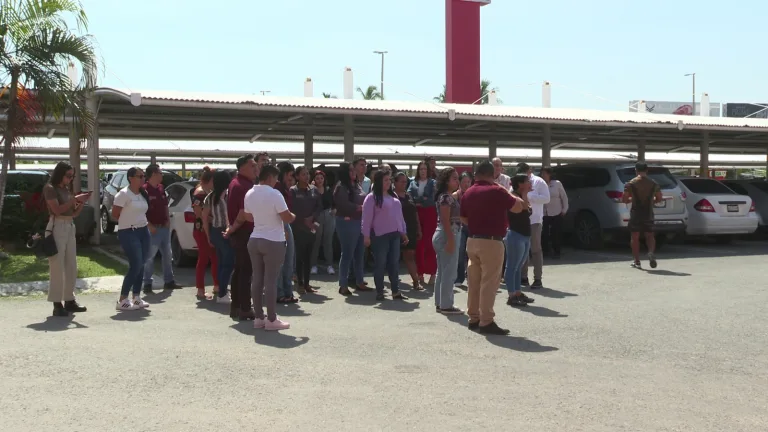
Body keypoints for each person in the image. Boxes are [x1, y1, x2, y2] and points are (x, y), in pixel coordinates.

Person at [460, 161, 524, 335]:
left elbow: (463, 218)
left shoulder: (469, 192)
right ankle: (486, 320)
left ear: (477, 174)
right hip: (492, 241)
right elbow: (518, 207)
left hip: (472, 240)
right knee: (490, 282)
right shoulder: (497, 190)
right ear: (492, 175)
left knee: (474, 281)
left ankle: (473, 317)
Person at [229, 164, 295, 331]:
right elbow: (286, 217)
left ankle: (259, 317)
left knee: (257, 279)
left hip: (255, 239)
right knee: (270, 281)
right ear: (271, 177)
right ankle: (272, 319)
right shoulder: (275, 194)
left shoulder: (250, 192)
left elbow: (249, 217)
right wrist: (293, 216)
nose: (276, 182)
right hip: (273, 240)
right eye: (276, 178)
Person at [43, 162, 90, 316]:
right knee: (57, 266)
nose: (70, 179)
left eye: (72, 176)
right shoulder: (50, 188)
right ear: (60, 174)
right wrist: (74, 199)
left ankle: (69, 300)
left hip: (69, 225)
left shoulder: (65, 189)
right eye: (68, 176)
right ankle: (57, 304)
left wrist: (81, 201)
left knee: (71, 265)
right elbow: (56, 210)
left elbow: (74, 213)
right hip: (57, 225)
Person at [361, 170, 409, 301]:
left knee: (394, 263)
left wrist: (403, 233)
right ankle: (380, 291)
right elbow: (366, 218)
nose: (389, 182)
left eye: (389, 180)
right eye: (385, 180)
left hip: (395, 234)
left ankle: (395, 291)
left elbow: (400, 217)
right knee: (380, 264)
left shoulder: (393, 196)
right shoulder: (371, 198)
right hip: (379, 235)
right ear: (378, 182)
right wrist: (366, 236)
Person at [112, 167, 152, 311]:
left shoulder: (143, 193)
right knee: (136, 264)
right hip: (128, 231)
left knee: (142, 263)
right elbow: (115, 214)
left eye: (144, 176)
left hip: (143, 230)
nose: (143, 178)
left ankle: (136, 297)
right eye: (140, 176)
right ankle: (122, 299)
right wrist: (129, 221)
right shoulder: (123, 194)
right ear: (131, 178)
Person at [142, 163, 182, 294]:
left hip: (163, 228)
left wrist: (168, 221)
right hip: (151, 229)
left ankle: (169, 281)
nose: (161, 175)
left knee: (167, 255)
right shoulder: (144, 190)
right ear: (153, 174)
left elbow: (165, 206)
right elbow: (140, 211)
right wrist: (149, 225)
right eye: (160, 173)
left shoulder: (161, 188)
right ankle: (147, 283)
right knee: (149, 257)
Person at [226, 154, 258, 320]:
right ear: (243, 167)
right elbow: (243, 213)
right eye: (252, 165)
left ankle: (237, 306)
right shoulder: (242, 186)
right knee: (245, 271)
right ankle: (245, 307)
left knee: (240, 270)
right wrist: (232, 229)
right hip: (245, 232)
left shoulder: (237, 183)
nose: (256, 168)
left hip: (241, 232)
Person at [334, 162, 371, 296]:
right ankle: (343, 284)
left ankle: (359, 281)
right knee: (347, 253)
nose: (354, 172)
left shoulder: (356, 185)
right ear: (345, 172)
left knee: (360, 253)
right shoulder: (342, 187)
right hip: (347, 222)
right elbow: (343, 204)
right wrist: (359, 208)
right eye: (350, 170)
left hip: (359, 221)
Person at [432, 167, 464, 315]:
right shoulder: (446, 197)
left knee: (442, 271)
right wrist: (451, 240)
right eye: (454, 178)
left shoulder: (447, 196)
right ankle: (446, 305)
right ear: (446, 181)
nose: (457, 181)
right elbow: (445, 220)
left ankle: (440, 303)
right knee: (449, 271)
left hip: (444, 234)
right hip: (448, 234)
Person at [622, 161, 662, 269]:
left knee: (635, 237)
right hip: (648, 213)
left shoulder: (631, 183)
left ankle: (637, 261)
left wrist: (630, 199)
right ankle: (650, 252)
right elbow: (659, 198)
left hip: (636, 213)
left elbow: (624, 199)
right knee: (650, 235)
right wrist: (652, 201)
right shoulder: (654, 183)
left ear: (636, 170)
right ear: (647, 170)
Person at [505, 174, 537, 307]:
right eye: (527, 181)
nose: (530, 183)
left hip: (524, 236)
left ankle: (518, 293)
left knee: (518, 267)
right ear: (520, 184)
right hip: (515, 235)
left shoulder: (522, 195)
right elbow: (523, 207)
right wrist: (525, 193)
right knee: (512, 266)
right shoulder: (512, 196)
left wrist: (525, 193)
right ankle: (511, 295)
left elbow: (527, 209)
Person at [290, 165, 323, 294]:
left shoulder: (314, 190)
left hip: (311, 228)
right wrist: (303, 220)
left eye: (308, 173)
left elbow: (319, 206)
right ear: (297, 176)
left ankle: (308, 283)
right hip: (298, 228)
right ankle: (300, 284)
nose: (306, 176)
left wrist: (312, 218)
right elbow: (291, 209)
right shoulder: (293, 191)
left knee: (309, 256)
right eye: (303, 174)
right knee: (299, 257)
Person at [517, 162, 550, 289]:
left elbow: (546, 199)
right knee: (523, 250)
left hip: (535, 220)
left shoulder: (539, 182)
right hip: (521, 220)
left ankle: (537, 278)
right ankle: (523, 277)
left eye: (526, 172)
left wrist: (530, 196)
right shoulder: (518, 181)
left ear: (529, 171)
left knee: (535, 250)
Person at [203, 170, 233, 304]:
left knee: (221, 262)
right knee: (228, 262)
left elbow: (204, 218)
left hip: (216, 231)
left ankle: (222, 290)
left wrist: (209, 235)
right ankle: (222, 293)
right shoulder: (228, 195)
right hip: (225, 231)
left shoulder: (210, 196)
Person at [407, 160, 438, 286]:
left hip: (430, 213)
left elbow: (432, 199)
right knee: (419, 243)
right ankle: (420, 273)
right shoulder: (413, 183)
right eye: (421, 169)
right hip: (417, 213)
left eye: (425, 169)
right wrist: (421, 200)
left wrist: (419, 200)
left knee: (430, 243)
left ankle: (432, 273)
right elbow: (409, 197)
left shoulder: (433, 182)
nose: (423, 171)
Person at [191, 166, 218, 300]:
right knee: (203, 259)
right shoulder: (200, 193)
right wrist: (211, 218)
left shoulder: (210, 191)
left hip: (210, 228)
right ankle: (200, 289)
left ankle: (216, 285)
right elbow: (198, 212)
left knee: (214, 257)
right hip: (201, 229)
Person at [394, 172, 423, 291]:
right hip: (396, 230)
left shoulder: (409, 196)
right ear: (395, 182)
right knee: (394, 258)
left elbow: (415, 212)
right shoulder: (392, 196)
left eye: (405, 181)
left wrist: (419, 228)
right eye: (401, 181)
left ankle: (416, 281)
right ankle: (394, 284)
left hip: (410, 229)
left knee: (409, 256)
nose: (404, 184)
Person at [275, 162, 298, 303]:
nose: (292, 178)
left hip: (286, 223)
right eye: (290, 174)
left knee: (289, 259)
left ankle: (288, 291)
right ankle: (280, 293)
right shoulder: (278, 189)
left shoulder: (286, 189)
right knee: (281, 261)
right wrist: (283, 228)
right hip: (280, 224)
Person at [310, 170, 336, 275]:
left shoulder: (328, 189)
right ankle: (313, 265)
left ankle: (329, 265)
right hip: (317, 216)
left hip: (328, 215)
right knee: (316, 241)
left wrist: (335, 209)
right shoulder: (312, 190)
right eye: (317, 178)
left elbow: (334, 202)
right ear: (314, 179)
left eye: (321, 178)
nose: (319, 180)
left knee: (328, 241)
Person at [541, 167, 568, 259]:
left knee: (556, 233)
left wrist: (564, 210)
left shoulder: (557, 184)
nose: (543, 175)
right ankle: (545, 251)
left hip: (557, 212)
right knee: (544, 233)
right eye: (542, 173)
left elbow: (564, 197)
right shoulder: (541, 184)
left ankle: (557, 251)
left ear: (549, 174)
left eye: (545, 173)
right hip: (544, 213)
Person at [453, 171, 472, 288]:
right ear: (459, 183)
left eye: (468, 182)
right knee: (460, 253)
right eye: (464, 182)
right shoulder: (456, 195)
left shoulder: (473, 194)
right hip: (459, 227)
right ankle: (459, 277)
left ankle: (471, 276)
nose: (466, 184)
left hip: (471, 226)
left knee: (471, 253)